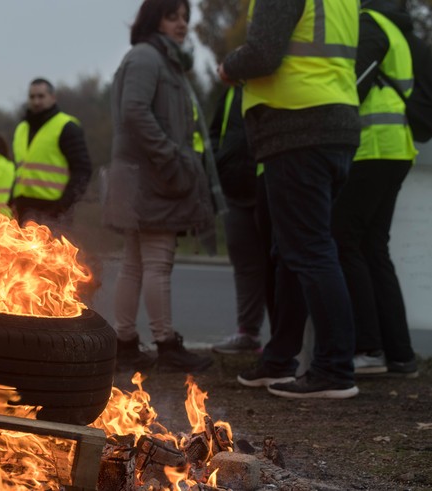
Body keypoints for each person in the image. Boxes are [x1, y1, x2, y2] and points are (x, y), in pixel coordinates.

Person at [219, 0, 362, 398]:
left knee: (309, 249)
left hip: (297, 126)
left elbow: (263, 54)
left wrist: (228, 67)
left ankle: (334, 369)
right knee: (292, 250)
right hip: (333, 124)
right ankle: (279, 359)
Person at [103, 0, 218, 373]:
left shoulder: (158, 59)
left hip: (145, 175)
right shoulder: (147, 58)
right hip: (153, 176)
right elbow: (135, 111)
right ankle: (165, 344)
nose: (182, 24)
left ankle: (125, 343)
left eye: (185, 17)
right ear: (154, 20)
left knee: (135, 263)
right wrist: (171, 155)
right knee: (156, 261)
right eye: (173, 16)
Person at [332, 0, 419, 378]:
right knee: (373, 246)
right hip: (396, 147)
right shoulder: (397, 28)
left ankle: (368, 347)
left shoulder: (369, 24)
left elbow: (353, 83)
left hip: (373, 148)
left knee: (345, 239)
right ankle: (399, 354)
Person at [209, 86, 276, 355]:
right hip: (234, 190)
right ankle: (247, 333)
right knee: (245, 264)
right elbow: (214, 132)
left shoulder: (275, 80)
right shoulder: (232, 91)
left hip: (269, 185)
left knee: (279, 264)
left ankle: (283, 339)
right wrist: (218, 160)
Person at [10, 78, 92, 237]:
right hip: (23, 209)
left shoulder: (67, 126)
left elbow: (83, 170)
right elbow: (19, 169)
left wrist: (64, 206)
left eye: (41, 96)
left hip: (53, 210)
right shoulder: (21, 128)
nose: (36, 101)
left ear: (53, 98)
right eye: (32, 97)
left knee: (54, 260)